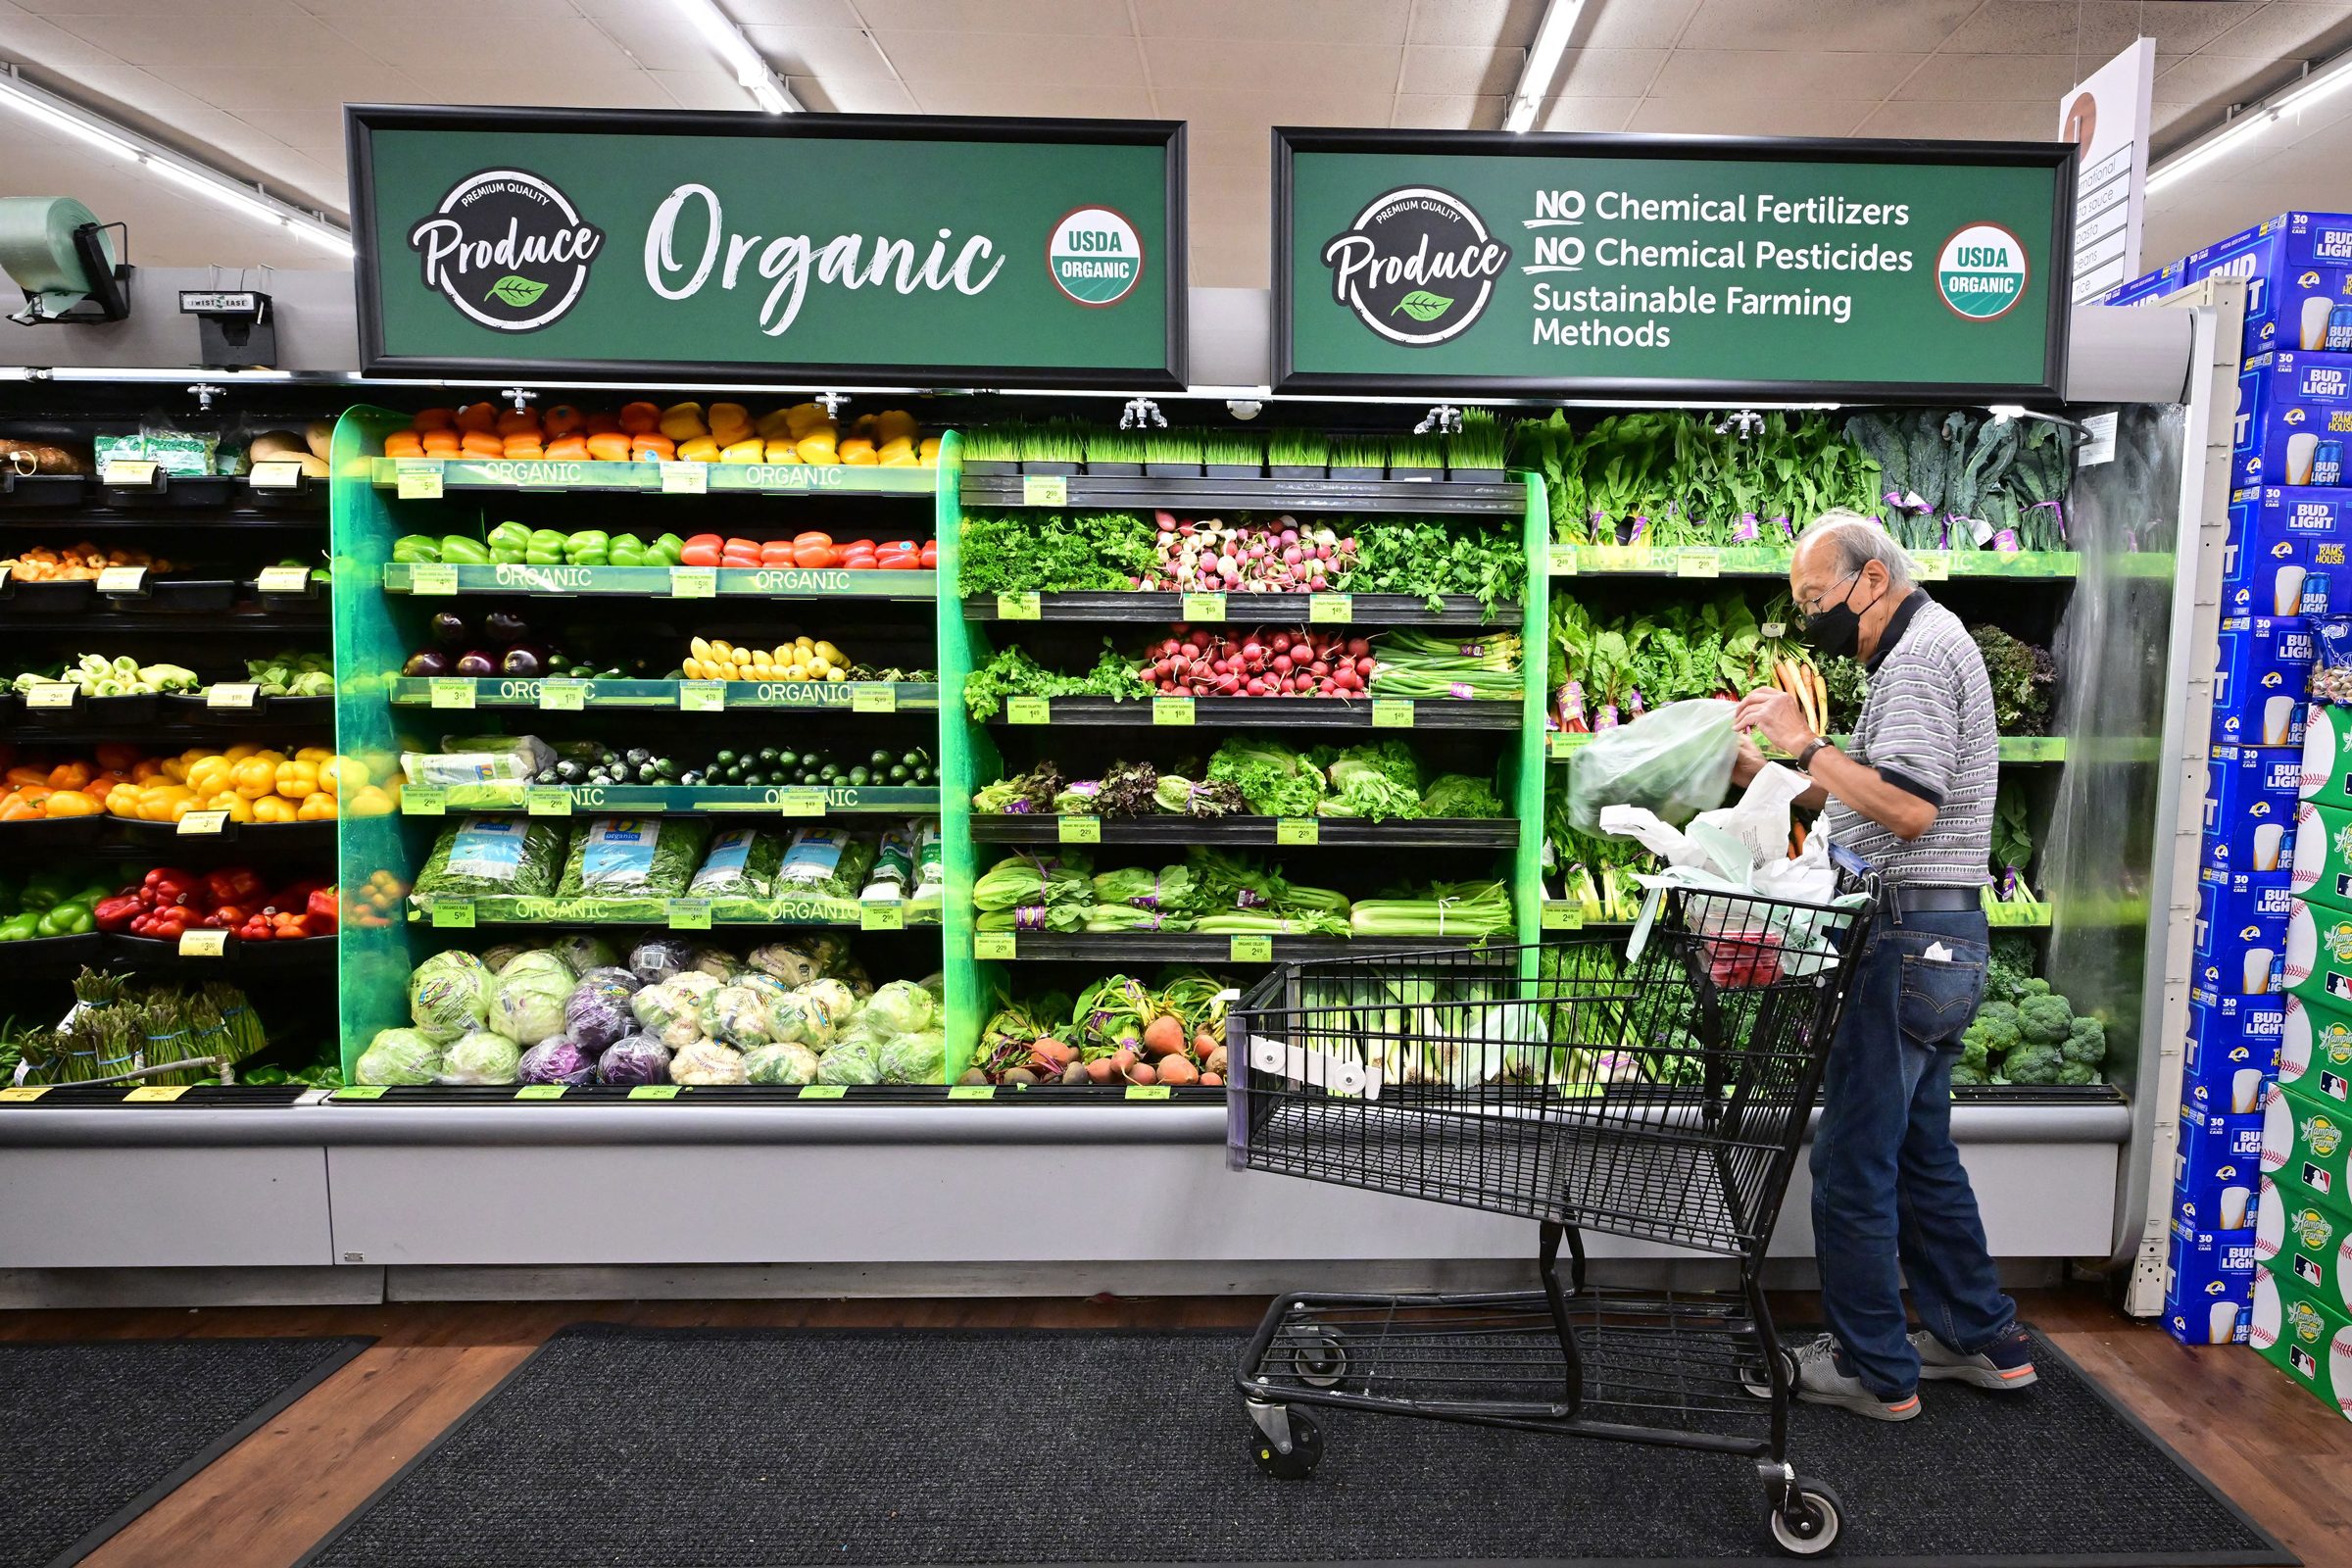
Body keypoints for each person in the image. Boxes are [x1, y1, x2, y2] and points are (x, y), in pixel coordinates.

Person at [1728, 510, 2038, 1421]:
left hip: (1901, 937)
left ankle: (1874, 1367)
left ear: (1870, 580)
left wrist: (1802, 743)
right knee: (1918, 1149)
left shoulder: (1914, 660)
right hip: (1943, 941)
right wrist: (1770, 775)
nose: (1807, 621)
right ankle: (1982, 1336)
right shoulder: (1933, 647)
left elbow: (1907, 813)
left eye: (1814, 600)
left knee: (1854, 1160)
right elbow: (1883, 793)